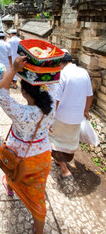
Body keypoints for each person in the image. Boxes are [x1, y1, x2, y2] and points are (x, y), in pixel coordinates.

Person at [0, 56, 55, 234]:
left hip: (20, 155)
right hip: (42, 157)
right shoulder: (51, 108)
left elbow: (0, 93)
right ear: (44, 91)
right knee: (38, 196)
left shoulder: (21, 112)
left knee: (12, 171)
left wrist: (14, 70)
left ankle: (10, 188)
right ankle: (39, 231)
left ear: (24, 93)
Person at [49, 50, 93, 180]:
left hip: (62, 116)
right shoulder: (83, 72)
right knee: (68, 143)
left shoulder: (62, 74)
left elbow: (57, 99)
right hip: (77, 116)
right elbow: (89, 95)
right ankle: (59, 161)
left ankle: (64, 169)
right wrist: (86, 110)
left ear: (60, 64)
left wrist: (51, 117)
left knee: (54, 141)